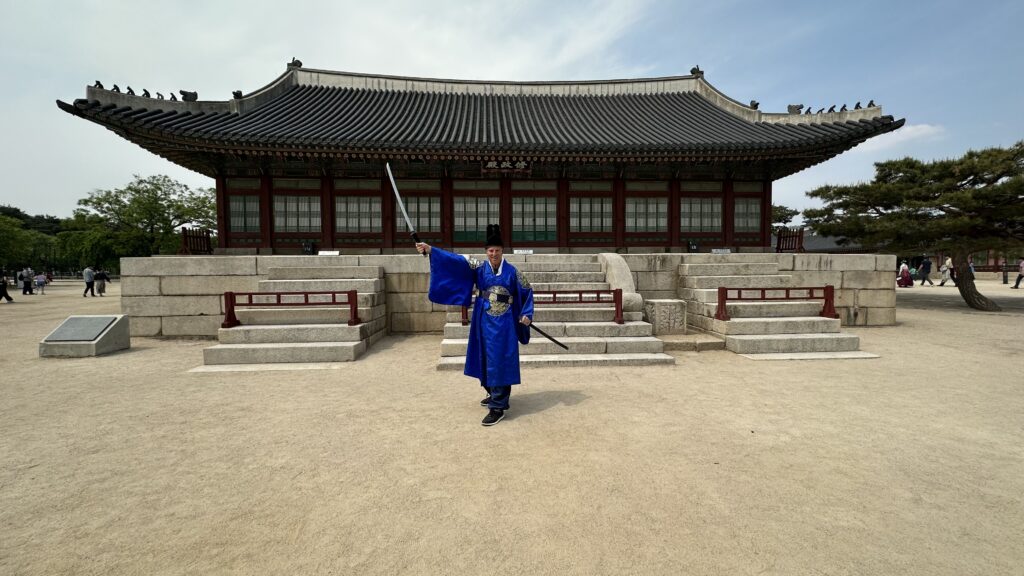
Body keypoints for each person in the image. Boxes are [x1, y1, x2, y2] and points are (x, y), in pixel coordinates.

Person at [416, 224, 534, 426]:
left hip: (504, 323)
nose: (494, 254)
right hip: (483, 320)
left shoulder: (513, 272)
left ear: (502, 251)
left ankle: (498, 405)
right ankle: (492, 392)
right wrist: (431, 250)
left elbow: (527, 291)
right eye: (490, 250)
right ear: (486, 252)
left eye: (497, 250)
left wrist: (526, 314)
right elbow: (455, 261)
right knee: (484, 357)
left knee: (500, 359)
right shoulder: (479, 268)